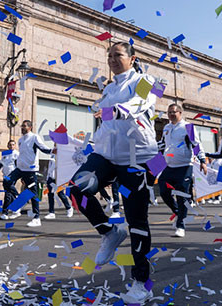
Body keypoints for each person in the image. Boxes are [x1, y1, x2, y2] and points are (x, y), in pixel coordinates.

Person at [70, 42, 158, 304]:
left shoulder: (147, 80)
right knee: (77, 188)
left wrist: (116, 110)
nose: (112, 59)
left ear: (132, 58)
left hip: (137, 157)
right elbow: (106, 124)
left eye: (117, 55)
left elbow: (139, 103)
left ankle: (141, 283)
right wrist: (90, 148)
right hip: (106, 155)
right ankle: (108, 231)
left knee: (137, 221)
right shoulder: (108, 89)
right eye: (109, 56)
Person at [157, 103, 206, 237]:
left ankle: (180, 226)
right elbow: (162, 144)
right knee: (163, 190)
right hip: (170, 166)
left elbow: (196, 144)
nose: (171, 114)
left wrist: (202, 161)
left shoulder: (188, 127)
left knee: (181, 195)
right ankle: (178, 212)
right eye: (169, 112)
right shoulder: (167, 127)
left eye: (174, 112)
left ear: (180, 113)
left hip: (184, 166)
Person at [8, 120, 52, 227]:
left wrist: (52, 151)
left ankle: (37, 218)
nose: (22, 128)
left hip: (30, 170)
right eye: (22, 126)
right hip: (20, 169)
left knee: (33, 193)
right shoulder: (20, 140)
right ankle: (19, 202)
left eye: (24, 126)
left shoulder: (34, 137)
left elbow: (43, 148)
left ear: (30, 127)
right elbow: (22, 155)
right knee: (7, 181)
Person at [44, 136, 76, 220]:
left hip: (59, 177)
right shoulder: (52, 153)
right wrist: (47, 177)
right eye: (55, 143)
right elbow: (49, 166)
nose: (56, 145)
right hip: (51, 177)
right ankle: (51, 212)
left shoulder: (63, 154)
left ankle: (69, 208)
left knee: (60, 193)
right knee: (50, 195)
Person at [0, 140, 22, 220]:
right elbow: (1, 164)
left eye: (13, 145)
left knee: (9, 194)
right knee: (8, 194)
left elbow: (18, 165)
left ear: (15, 146)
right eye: (10, 145)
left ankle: (6, 211)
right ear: (7, 146)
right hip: (5, 176)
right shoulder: (5, 154)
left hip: (12, 176)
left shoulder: (16, 154)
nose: (11, 146)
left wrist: (20, 176)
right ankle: (10, 210)